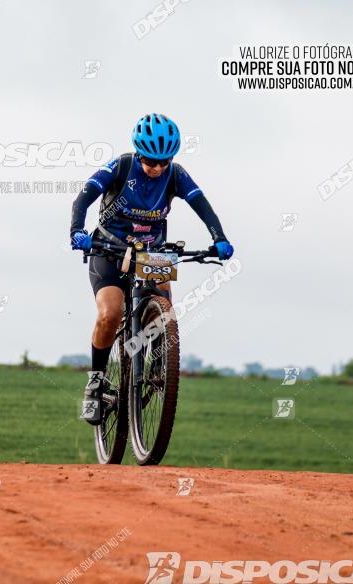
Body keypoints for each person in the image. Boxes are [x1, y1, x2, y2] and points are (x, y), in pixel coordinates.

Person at [70, 113, 233, 424]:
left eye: (164, 161)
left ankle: (159, 362)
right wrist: (77, 230)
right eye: (152, 162)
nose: (158, 168)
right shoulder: (120, 167)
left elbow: (202, 204)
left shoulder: (175, 174)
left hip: (152, 252)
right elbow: (83, 198)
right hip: (109, 248)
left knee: (165, 309)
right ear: (140, 153)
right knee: (110, 314)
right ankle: (95, 383)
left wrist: (219, 237)